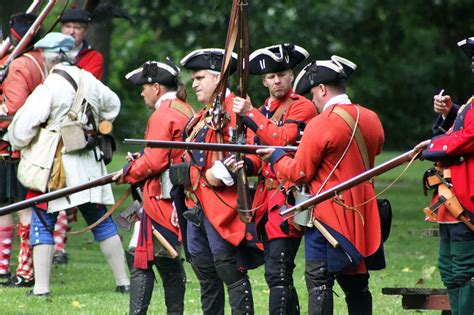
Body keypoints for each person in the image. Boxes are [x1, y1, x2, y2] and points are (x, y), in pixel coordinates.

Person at [258, 56, 385, 315]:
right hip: (362, 214)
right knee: (357, 285)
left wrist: (275, 156)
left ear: (322, 89)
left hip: (328, 215)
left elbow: (299, 172)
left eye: (313, 93)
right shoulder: (371, 117)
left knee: (319, 283)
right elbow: (376, 149)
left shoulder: (322, 122)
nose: (313, 100)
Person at [8, 32, 130, 297]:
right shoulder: (90, 81)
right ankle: (124, 283)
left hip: (54, 169)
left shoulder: (48, 88)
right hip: (87, 165)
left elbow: (21, 131)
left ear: (47, 57)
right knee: (101, 221)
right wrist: (91, 124)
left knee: (42, 221)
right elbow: (113, 106)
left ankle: (41, 289)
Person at [232, 43, 317, 314]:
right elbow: (257, 156)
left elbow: (282, 140)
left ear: (292, 76)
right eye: (271, 76)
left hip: (289, 198)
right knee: (276, 273)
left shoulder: (302, 107)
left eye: (282, 73)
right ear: (264, 81)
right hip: (264, 202)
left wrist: (249, 114)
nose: (277, 80)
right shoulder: (261, 111)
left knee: (278, 272)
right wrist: (244, 163)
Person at [175, 48, 255, 314]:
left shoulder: (235, 111)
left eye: (199, 78)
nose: (194, 84)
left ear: (218, 79)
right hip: (196, 205)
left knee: (229, 270)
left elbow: (245, 153)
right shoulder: (201, 118)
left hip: (223, 206)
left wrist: (214, 174)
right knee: (205, 272)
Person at [113, 60, 193, 314]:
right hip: (174, 196)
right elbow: (163, 155)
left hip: (164, 199)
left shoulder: (164, 113)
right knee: (152, 257)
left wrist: (128, 172)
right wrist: (140, 161)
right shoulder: (185, 109)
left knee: (148, 260)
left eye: (144, 87)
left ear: (156, 87)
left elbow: (157, 160)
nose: (141, 92)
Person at [416, 37, 474, 315]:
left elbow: (470, 135)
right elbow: (466, 123)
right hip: (452, 202)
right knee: (450, 270)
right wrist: (453, 111)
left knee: (465, 272)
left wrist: (431, 147)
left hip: (468, 204)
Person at [52, 7, 105, 265]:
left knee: (71, 187)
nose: (72, 31)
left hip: (76, 128)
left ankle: (59, 246)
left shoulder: (93, 57)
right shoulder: (49, 51)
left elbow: (85, 89)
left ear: (85, 31)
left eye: (78, 27)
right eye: (68, 26)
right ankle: (56, 245)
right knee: (55, 187)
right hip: (51, 129)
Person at [0, 12, 44, 287]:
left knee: (21, 209)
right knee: (7, 208)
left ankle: (24, 272)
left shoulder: (18, 65)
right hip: (20, 148)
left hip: (13, 149)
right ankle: (6, 268)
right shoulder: (36, 60)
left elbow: (13, 109)